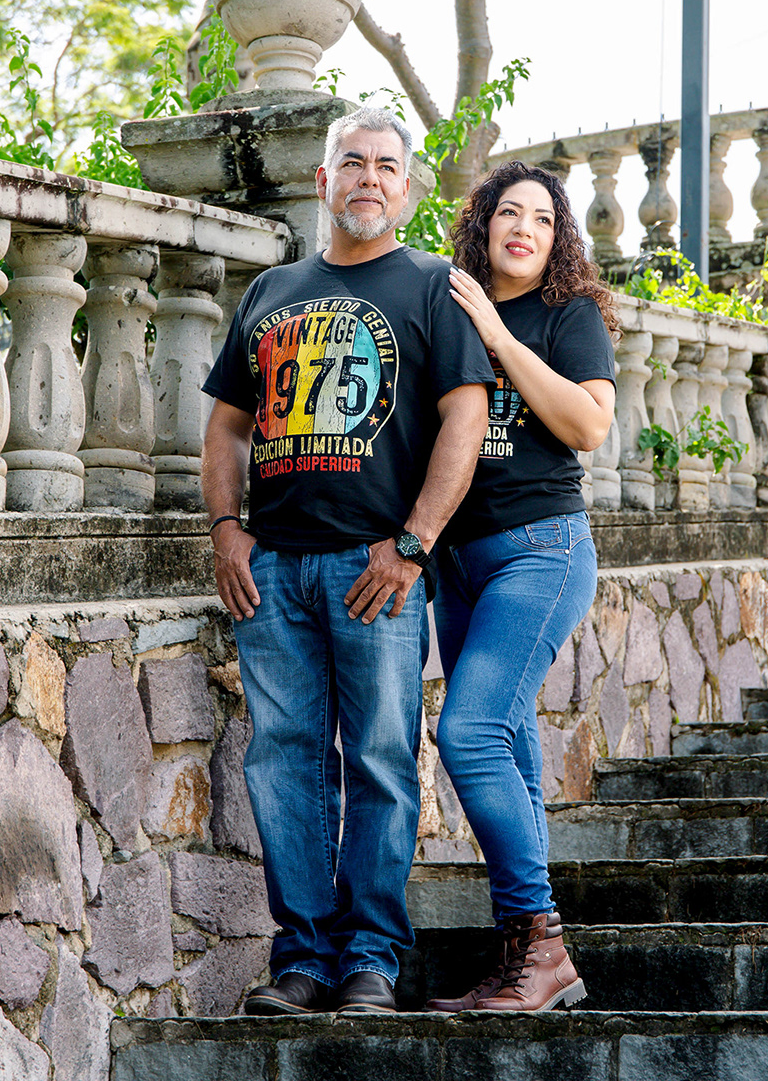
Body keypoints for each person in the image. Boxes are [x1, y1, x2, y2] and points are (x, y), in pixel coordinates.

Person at [200, 105, 494, 1016]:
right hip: (274, 570)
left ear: (407, 190)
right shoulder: (271, 290)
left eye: (387, 166)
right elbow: (227, 425)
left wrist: (413, 545)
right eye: (353, 163)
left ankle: (370, 958)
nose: (370, 178)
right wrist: (225, 528)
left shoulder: (433, 286)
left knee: (378, 760)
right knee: (282, 762)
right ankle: (303, 960)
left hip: (379, 574)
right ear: (323, 181)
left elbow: (466, 420)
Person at [422, 160, 619, 1013]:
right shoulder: (447, 304)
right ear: (485, 223)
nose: (525, 229)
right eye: (510, 212)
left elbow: (589, 424)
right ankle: (521, 963)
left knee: (466, 733)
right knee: (508, 745)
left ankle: (545, 946)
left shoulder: (568, 315)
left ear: (558, 236)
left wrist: (501, 340)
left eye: (543, 218)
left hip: (542, 549)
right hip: (459, 562)